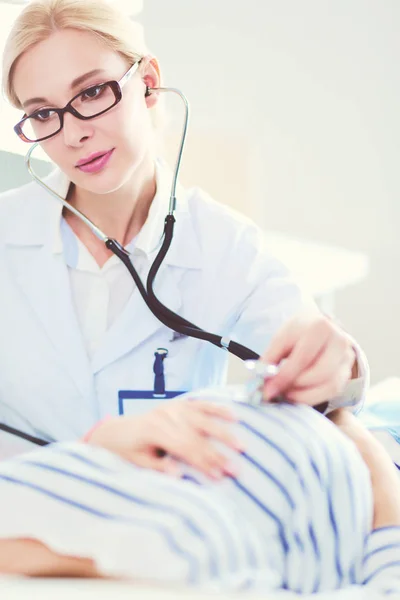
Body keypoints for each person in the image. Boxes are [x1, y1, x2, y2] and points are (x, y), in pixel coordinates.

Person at [0, 0, 367, 446]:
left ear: (149, 83)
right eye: (42, 113)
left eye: (92, 92)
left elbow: (327, 373)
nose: (74, 134)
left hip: (170, 508)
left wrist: (335, 362)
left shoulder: (222, 244)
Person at [0, 391, 399, 597]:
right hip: (335, 466)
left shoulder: (185, 545)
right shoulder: (190, 546)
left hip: (154, 468)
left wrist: (100, 441)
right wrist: (359, 439)